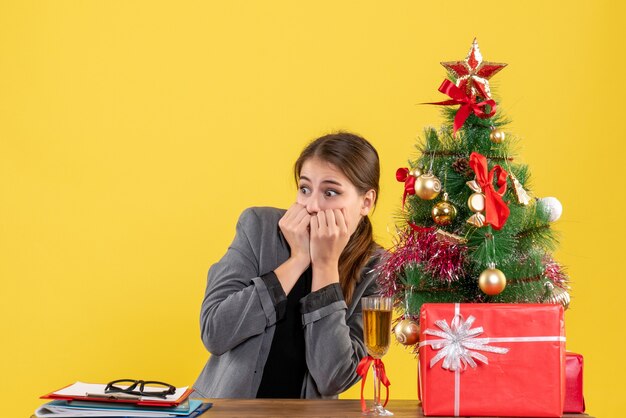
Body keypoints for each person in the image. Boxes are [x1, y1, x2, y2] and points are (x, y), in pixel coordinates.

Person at [192, 132, 382, 399]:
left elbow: (333, 379)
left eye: (330, 192)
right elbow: (215, 332)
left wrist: (325, 264)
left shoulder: (376, 269)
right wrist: (298, 260)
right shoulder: (259, 228)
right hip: (228, 411)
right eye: (305, 189)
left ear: (366, 202)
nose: (313, 205)